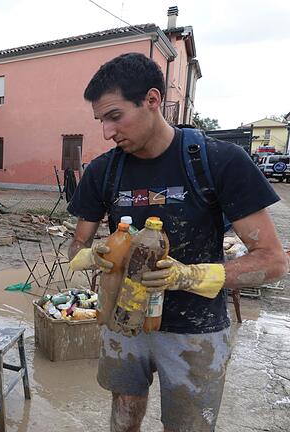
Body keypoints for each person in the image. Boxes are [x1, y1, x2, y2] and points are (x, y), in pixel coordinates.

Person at [67, 53, 288, 432]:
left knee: (189, 426)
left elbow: (272, 262)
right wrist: (92, 256)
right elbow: (76, 247)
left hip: (194, 332)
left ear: (152, 100)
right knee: (123, 414)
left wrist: (188, 276)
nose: (106, 132)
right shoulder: (103, 171)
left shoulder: (218, 161)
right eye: (100, 120)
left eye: (115, 116)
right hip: (123, 324)